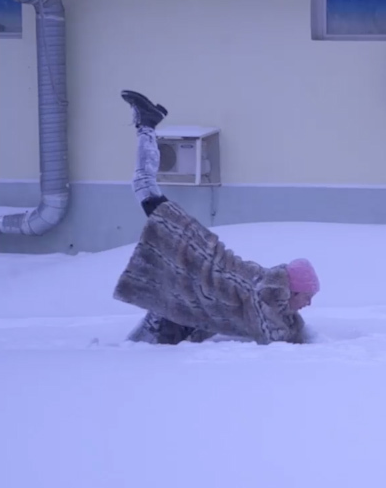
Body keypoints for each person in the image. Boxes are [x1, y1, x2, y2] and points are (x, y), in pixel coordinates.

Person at [111, 90, 320, 345]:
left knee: (144, 185)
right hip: (183, 276)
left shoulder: (262, 281)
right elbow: (273, 335)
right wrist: (298, 329)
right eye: (307, 295)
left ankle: (146, 124)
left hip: (187, 290)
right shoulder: (265, 294)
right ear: (292, 289)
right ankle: (146, 126)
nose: (308, 303)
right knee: (143, 184)